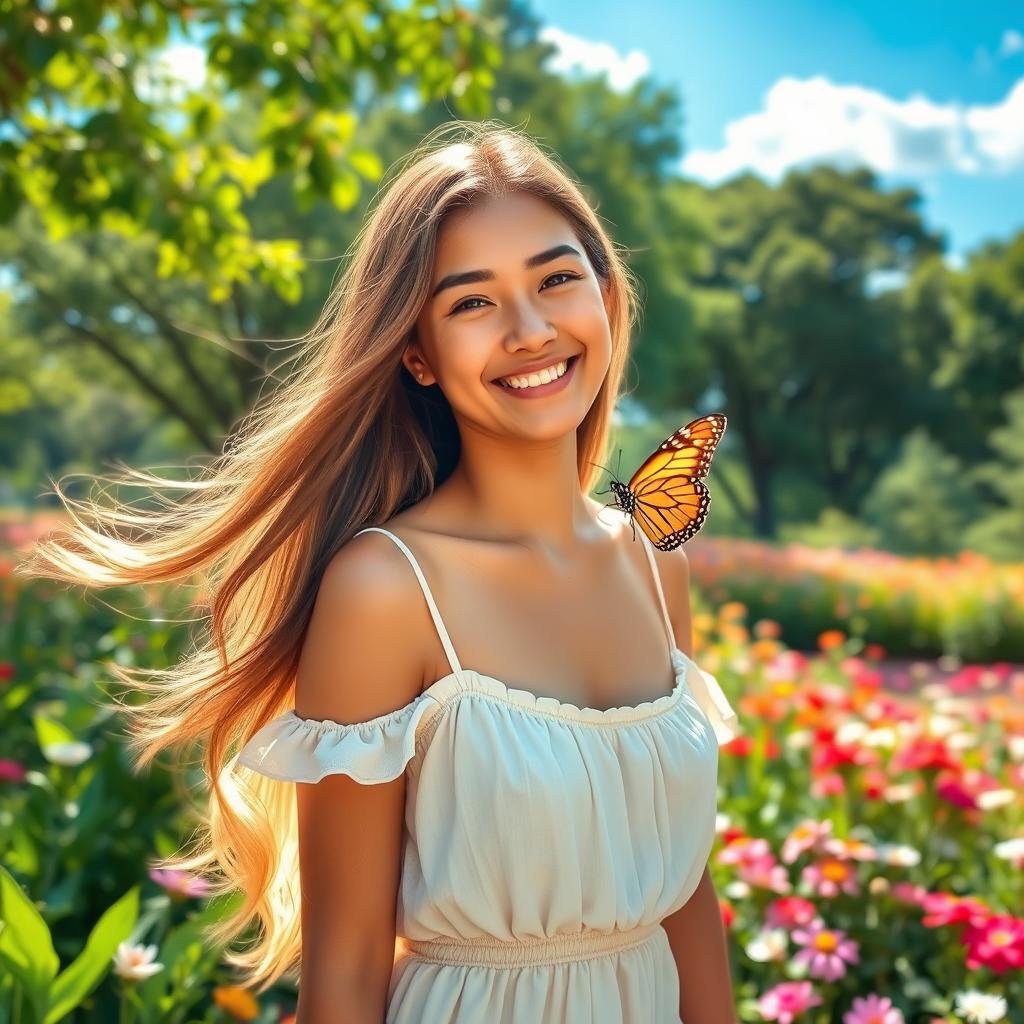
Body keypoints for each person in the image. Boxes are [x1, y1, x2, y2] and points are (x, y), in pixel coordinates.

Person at [20, 120, 741, 1023]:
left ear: (605, 294)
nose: (530, 330)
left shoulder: (653, 564)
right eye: (472, 303)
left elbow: (684, 900)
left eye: (558, 279)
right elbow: (349, 972)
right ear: (416, 353)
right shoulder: (386, 591)